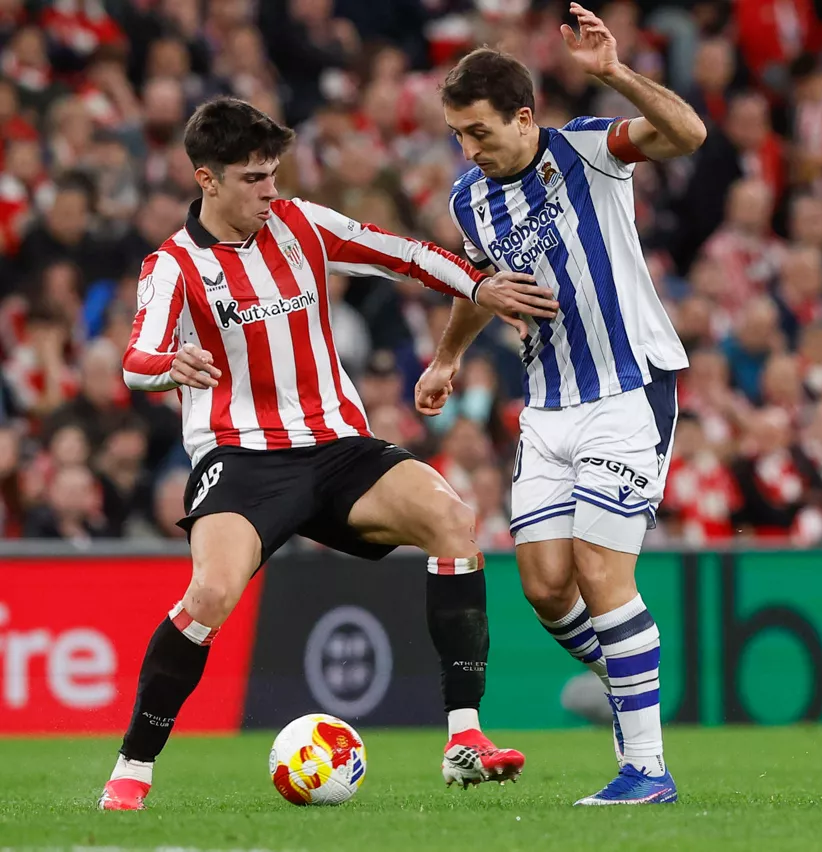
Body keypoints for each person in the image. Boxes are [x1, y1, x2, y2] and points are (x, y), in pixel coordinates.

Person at [99, 97, 558, 811]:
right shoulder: (173, 266)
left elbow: (403, 253)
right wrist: (171, 364)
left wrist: (478, 284)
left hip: (339, 447)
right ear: (206, 179)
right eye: (253, 178)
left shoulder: (301, 224)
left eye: (274, 174)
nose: (270, 191)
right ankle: (133, 767)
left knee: (452, 521)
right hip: (243, 457)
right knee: (210, 596)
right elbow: (135, 358)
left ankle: (463, 739)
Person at [415, 3, 705, 806]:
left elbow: (688, 135)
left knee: (601, 572)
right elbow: (482, 285)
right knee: (546, 585)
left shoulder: (587, 148)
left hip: (625, 387)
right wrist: (448, 356)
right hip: (546, 407)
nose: (467, 149)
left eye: (477, 131)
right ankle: (631, 690)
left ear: (522, 116)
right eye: (456, 135)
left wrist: (614, 73)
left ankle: (646, 766)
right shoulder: (470, 198)